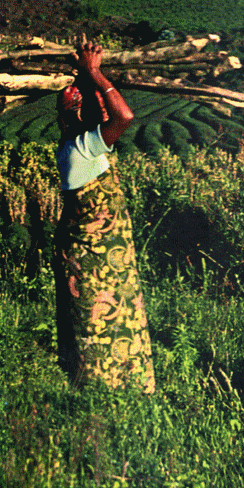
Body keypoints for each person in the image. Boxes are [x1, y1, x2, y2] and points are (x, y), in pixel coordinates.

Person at [52, 41, 155, 392]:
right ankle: (109, 391)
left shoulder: (73, 145)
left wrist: (86, 76)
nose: (100, 105)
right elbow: (124, 116)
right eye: (91, 103)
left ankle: (104, 387)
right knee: (104, 322)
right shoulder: (84, 147)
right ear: (78, 115)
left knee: (100, 321)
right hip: (98, 262)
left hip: (95, 259)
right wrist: (95, 72)